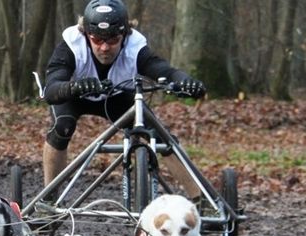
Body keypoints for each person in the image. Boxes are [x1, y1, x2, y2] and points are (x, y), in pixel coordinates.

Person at [42, 0, 205, 200]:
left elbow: (164, 71)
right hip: (74, 95)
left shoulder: (135, 46)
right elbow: (51, 89)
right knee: (63, 126)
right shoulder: (71, 44)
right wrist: (74, 87)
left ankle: (200, 200)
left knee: (161, 136)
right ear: (86, 34)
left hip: (117, 97)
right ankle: (48, 197)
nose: (104, 47)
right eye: (97, 40)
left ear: (124, 34)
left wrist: (186, 82)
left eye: (112, 40)